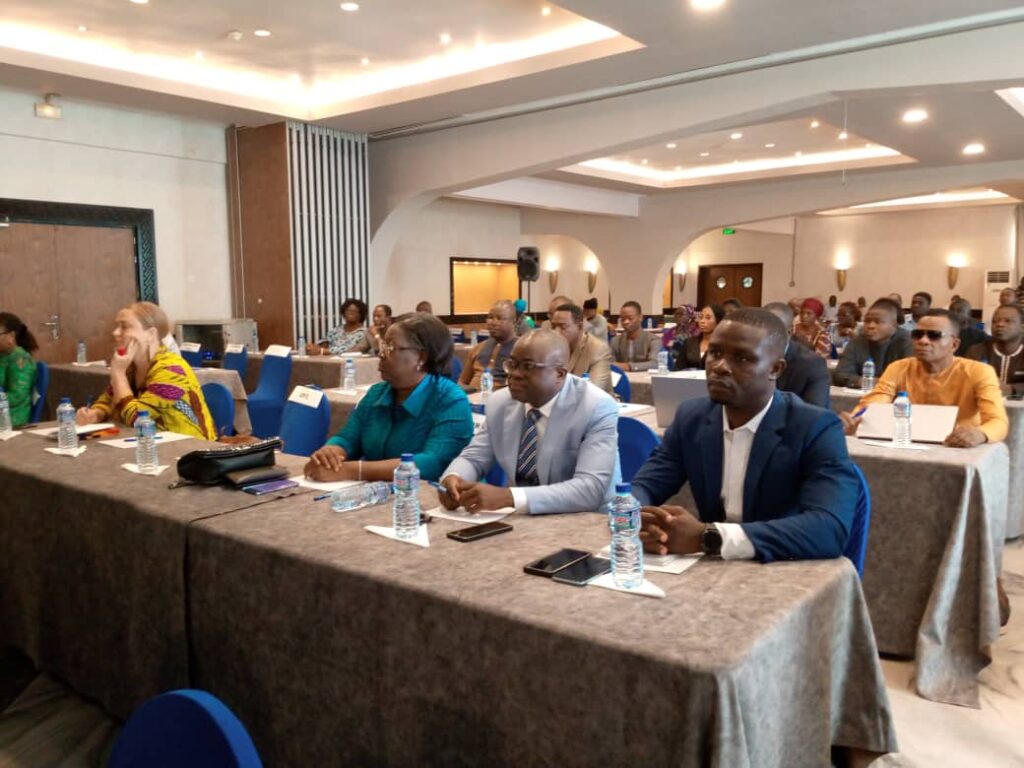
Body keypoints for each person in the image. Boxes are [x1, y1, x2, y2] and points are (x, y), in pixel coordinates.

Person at [632, 309, 857, 562]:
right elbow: (645, 485)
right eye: (715, 353)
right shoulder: (691, 417)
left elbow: (829, 529)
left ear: (775, 369)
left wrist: (708, 537)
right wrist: (640, 519)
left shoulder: (816, 428)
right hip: (712, 569)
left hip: (784, 565)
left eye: (741, 358)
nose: (720, 367)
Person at [439, 330, 620, 514]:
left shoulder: (595, 407)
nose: (515, 374)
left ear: (559, 374)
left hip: (590, 519)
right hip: (521, 518)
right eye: (512, 364)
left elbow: (590, 489)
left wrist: (508, 497)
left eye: (528, 366)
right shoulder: (500, 403)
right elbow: (474, 457)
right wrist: (454, 479)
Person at [305, 313, 473, 482]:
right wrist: (331, 453)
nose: (381, 354)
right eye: (383, 345)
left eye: (389, 348)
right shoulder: (377, 393)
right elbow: (348, 438)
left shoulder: (451, 400)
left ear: (421, 358)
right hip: (375, 492)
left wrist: (353, 471)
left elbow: (432, 463)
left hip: (423, 494)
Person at [840, 309, 1007, 447]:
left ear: (954, 344)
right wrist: (852, 420)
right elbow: (873, 404)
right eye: (918, 335)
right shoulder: (899, 368)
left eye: (934, 335)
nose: (923, 341)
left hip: (957, 447)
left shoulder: (979, 372)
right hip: (907, 443)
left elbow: (998, 421)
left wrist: (980, 434)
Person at [76, 302, 215, 439]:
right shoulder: (130, 367)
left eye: (124, 326)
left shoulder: (172, 369)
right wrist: (96, 413)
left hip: (189, 447)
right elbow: (108, 400)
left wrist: (118, 373)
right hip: (150, 443)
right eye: (117, 326)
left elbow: (138, 420)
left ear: (150, 334)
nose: (115, 332)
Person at [832, 298, 913, 388]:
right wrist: (868, 382)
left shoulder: (906, 342)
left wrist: (880, 383)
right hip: (861, 393)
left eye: (878, 322)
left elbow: (910, 378)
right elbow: (839, 375)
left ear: (893, 326)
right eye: (867, 321)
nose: (871, 326)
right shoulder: (857, 341)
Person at [762, 303, 831, 408]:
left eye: (771, 331)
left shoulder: (812, 364)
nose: (763, 335)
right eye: (760, 329)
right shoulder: (747, 356)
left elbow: (815, 412)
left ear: (789, 332)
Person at [549, 303, 614, 394]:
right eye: (553, 326)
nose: (556, 332)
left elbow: (591, 393)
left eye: (562, 327)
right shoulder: (551, 349)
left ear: (580, 327)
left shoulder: (598, 350)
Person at [458, 300, 518, 392]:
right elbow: (462, 381)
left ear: (514, 322)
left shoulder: (522, 350)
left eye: (500, 318)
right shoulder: (477, 348)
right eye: (490, 317)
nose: (493, 322)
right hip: (472, 397)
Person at [966, 303, 1024, 396]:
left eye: (1008, 321)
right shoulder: (977, 351)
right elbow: (964, 382)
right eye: (995, 321)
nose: (999, 324)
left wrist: (1012, 389)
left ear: (1022, 327)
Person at [0, 312, 38, 428]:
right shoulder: (3, 356)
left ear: (11, 336)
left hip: (12, 418)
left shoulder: (21, 359)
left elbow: (17, 396)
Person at [609, 301, 660, 371]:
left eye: (630, 318)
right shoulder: (615, 341)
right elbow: (610, 364)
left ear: (640, 317)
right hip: (622, 376)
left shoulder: (653, 340)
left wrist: (629, 366)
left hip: (645, 377)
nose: (626, 322)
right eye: (623, 319)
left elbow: (655, 364)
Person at [672, 304, 723, 370]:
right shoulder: (689, 342)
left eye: (708, 318)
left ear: (718, 321)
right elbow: (678, 368)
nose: (702, 321)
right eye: (701, 317)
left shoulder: (724, 345)